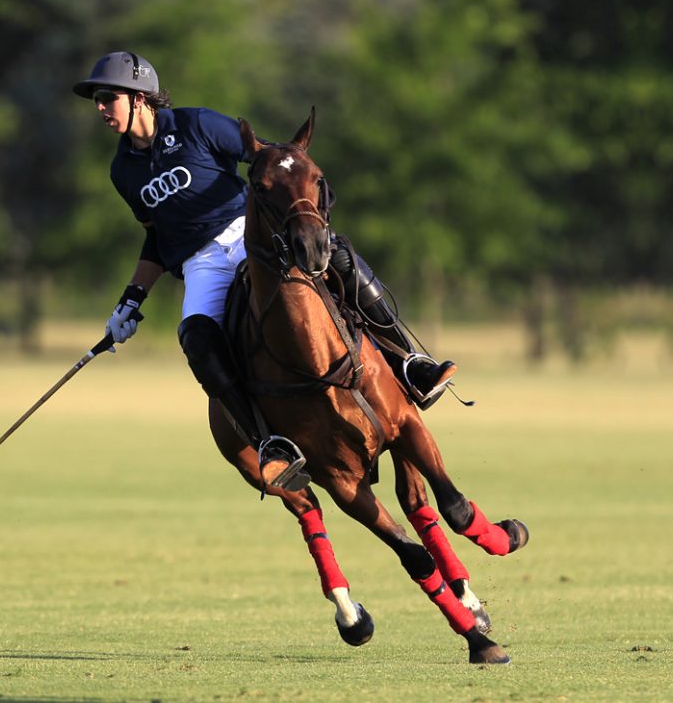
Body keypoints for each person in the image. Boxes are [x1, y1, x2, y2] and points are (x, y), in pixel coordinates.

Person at [73, 51, 456, 488]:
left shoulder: (196, 125)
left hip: (247, 237)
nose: (100, 107)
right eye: (97, 100)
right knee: (196, 338)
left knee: (340, 257)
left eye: (108, 97)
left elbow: (274, 159)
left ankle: (409, 363)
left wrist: (303, 213)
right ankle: (269, 441)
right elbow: (155, 237)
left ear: (139, 97)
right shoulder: (122, 170)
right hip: (201, 264)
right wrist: (131, 299)